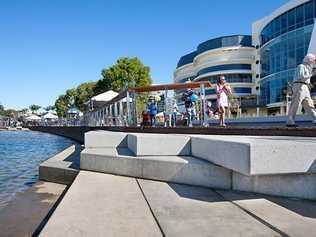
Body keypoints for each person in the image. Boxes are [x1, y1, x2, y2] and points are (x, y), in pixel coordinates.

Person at [287, 53, 316, 127]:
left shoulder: (307, 68)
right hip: (299, 85)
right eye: (313, 60)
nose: (314, 61)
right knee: (296, 103)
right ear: (309, 59)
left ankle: (315, 119)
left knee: (309, 104)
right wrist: (312, 74)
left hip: (305, 86)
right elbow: (301, 77)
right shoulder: (301, 66)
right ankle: (290, 121)